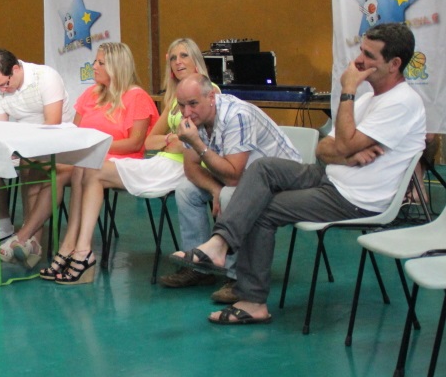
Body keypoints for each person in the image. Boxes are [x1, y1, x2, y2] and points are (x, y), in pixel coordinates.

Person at [176, 22, 427, 325]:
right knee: (264, 168)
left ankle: (252, 301)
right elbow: (325, 149)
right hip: (330, 176)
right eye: (361, 51)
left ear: (394, 64)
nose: (358, 62)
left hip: (355, 198)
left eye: (370, 56)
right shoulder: (367, 100)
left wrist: (347, 91)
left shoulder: (401, 102)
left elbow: (343, 142)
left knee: (261, 209)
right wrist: (347, 155)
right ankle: (218, 245)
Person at [40, 38, 214, 281]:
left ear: (197, 59)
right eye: (173, 57)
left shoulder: (209, 92)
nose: (178, 62)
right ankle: (76, 249)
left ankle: (79, 252)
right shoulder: (176, 97)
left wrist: (179, 141)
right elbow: (152, 141)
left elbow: (200, 142)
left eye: (184, 56)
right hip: (163, 160)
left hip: (187, 166)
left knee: (90, 168)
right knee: (88, 169)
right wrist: (172, 140)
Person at [23, 42, 158, 283]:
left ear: (117, 67)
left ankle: (57, 245)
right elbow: (75, 132)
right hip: (88, 160)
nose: (94, 66)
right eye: (95, 61)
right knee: (51, 170)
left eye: (100, 63)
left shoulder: (137, 97)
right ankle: (61, 246)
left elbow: (136, 144)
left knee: (80, 168)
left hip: (121, 162)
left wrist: (95, 145)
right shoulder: (91, 94)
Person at [159, 74, 300, 297]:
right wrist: (214, 189)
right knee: (186, 191)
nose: (186, 112)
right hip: (242, 177)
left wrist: (196, 143)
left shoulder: (237, 116)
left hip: (282, 182)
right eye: (182, 105)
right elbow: (191, 169)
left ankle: (237, 278)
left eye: (193, 104)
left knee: (230, 195)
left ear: (211, 97)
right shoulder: (191, 120)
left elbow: (233, 177)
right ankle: (199, 268)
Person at [0, 48, 75, 257]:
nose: (3, 90)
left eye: (5, 84)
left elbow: (53, 123)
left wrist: (25, 150)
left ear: (16, 69)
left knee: (31, 168)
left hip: (60, 142)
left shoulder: (46, 77)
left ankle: (29, 239)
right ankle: (23, 237)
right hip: (26, 145)